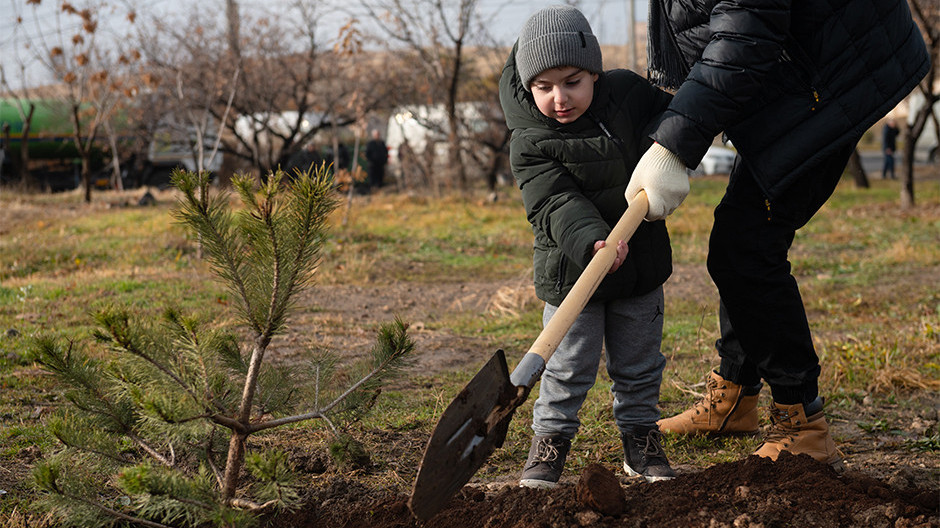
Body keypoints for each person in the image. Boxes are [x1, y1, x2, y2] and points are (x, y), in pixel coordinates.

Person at [623, 0, 929, 467]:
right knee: (740, 236)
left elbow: (748, 28)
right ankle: (735, 395)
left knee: (745, 248)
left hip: (830, 73)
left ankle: (802, 422)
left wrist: (674, 144)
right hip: (797, 70)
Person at [499, 5, 676, 487]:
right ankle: (550, 442)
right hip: (573, 272)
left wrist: (675, 153)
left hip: (639, 264)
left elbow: (677, 121)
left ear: (594, 71)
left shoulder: (628, 94)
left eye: (572, 82)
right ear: (528, 86)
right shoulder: (529, 138)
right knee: (567, 367)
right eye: (544, 87)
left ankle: (640, 440)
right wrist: (591, 240)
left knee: (640, 364)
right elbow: (552, 200)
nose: (559, 98)